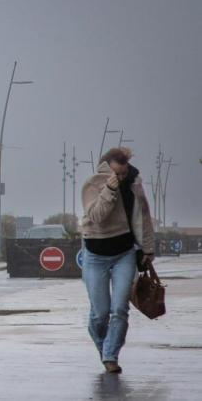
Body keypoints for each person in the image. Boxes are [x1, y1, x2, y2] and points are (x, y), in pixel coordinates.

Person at [81, 147, 155, 373]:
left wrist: (148, 250)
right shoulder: (92, 184)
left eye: (123, 173)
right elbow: (97, 217)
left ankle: (111, 355)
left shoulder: (133, 183)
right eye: (117, 173)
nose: (121, 178)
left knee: (120, 308)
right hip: (95, 256)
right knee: (100, 313)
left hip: (124, 253)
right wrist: (110, 190)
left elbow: (143, 216)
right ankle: (104, 347)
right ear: (106, 168)